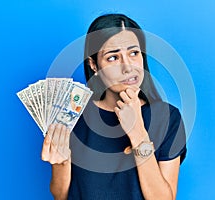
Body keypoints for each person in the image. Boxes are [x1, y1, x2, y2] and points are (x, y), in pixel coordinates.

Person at [41, 13, 187, 200]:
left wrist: (137, 133)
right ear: (93, 65)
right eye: (113, 58)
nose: (128, 67)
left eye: (134, 53)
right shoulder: (71, 115)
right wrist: (60, 163)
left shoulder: (167, 118)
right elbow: (61, 196)